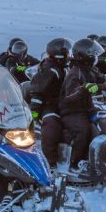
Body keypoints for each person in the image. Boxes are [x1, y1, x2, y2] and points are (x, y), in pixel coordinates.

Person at [59, 38, 105, 170]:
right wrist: (84, 88)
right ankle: (75, 162)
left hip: (87, 108)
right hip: (72, 111)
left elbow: (102, 79)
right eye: (94, 55)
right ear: (85, 56)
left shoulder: (89, 69)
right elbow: (70, 95)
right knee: (83, 130)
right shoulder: (75, 73)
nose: (96, 58)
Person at [28, 38, 71, 168]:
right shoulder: (49, 70)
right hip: (48, 105)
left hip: (60, 103)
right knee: (52, 126)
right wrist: (34, 115)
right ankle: (49, 162)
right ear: (59, 55)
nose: (70, 56)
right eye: (67, 53)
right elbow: (37, 93)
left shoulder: (62, 67)